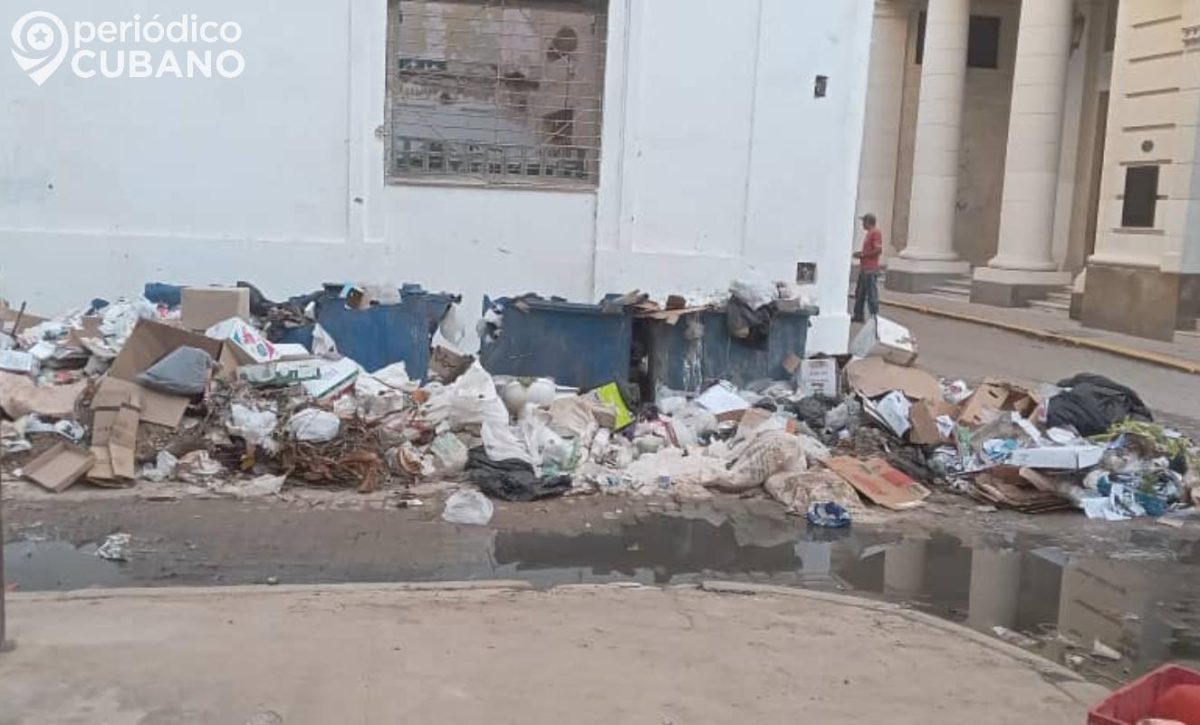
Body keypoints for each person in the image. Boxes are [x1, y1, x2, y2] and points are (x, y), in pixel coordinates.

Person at [852, 213, 883, 323]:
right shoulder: (870, 233)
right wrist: (860, 254)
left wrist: (863, 255)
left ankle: (874, 316)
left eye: (863, 222)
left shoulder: (875, 233)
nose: (862, 224)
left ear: (868, 222)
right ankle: (858, 315)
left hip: (870, 269)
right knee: (859, 292)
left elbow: (878, 250)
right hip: (864, 268)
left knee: (871, 294)